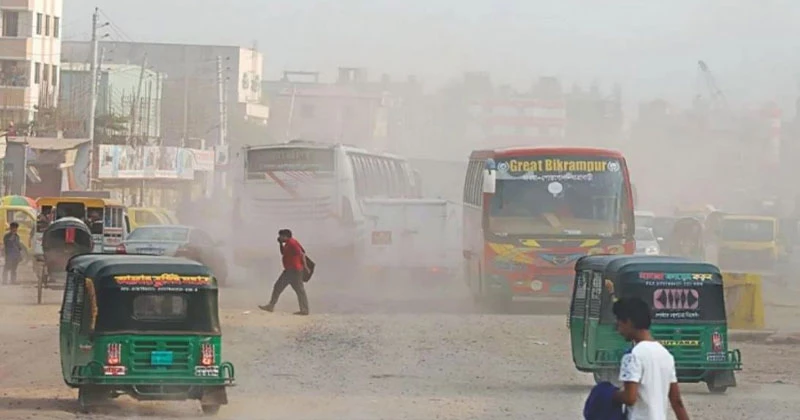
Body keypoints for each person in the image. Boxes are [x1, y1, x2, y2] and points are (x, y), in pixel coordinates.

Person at [612, 297, 690, 420]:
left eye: (619, 324)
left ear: (629, 322)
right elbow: (677, 401)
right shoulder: (666, 355)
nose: (618, 330)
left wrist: (609, 394)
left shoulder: (633, 355)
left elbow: (630, 398)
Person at [258, 229, 310, 315]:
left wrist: (306, 267)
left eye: (281, 236)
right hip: (290, 270)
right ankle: (304, 310)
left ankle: (271, 306)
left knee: (281, 287)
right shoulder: (287, 244)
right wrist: (280, 244)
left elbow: (302, 254)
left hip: (294, 270)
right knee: (296, 290)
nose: (280, 237)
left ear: (286, 236)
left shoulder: (292, 243)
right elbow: (283, 253)